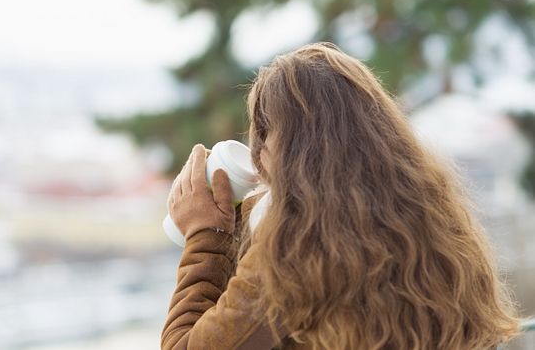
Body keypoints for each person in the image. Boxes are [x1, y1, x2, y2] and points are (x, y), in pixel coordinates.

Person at [161, 43, 522, 349]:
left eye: (262, 136)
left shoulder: (292, 248)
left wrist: (207, 235)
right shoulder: (433, 220)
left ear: (282, 147)